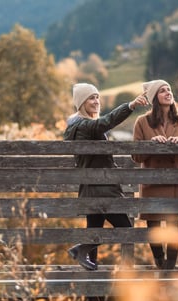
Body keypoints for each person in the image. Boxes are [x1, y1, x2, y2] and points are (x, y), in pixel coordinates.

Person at [65, 82, 148, 270]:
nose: (96, 101)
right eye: (91, 98)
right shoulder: (85, 126)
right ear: (81, 103)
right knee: (126, 230)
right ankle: (81, 249)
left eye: (97, 97)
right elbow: (107, 121)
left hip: (92, 189)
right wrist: (131, 106)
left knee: (94, 231)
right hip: (102, 189)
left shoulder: (79, 126)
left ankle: (93, 293)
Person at [132, 79, 178, 269]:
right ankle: (159, 262)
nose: (168, 93)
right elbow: (136, 156)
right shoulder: (142, 122)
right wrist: (151, 144)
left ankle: (170, 267)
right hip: (152, 184)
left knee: (174, 227)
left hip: (176, 184)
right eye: (162, 91)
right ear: (154, 98)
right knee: (153, 226)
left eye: (169, 89)